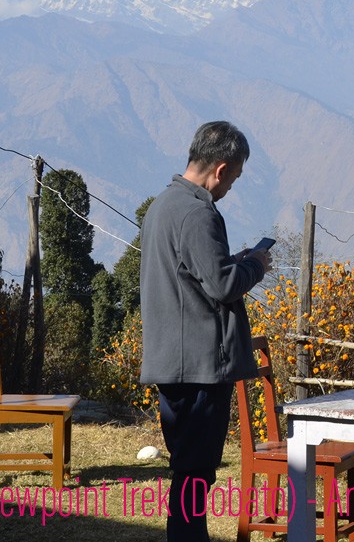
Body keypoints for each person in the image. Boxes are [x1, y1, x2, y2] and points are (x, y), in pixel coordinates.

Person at [140, 120, 273, 542]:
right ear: (220, 168)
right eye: (233, 178)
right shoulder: (199, 213)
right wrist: (255, 265)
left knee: (187, 471)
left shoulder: (163, 205)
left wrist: (233, 259)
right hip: (198, 365)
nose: (231, 187)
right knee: (195, 478)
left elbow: (193, 274)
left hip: (171, 360)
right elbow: (222, 286)